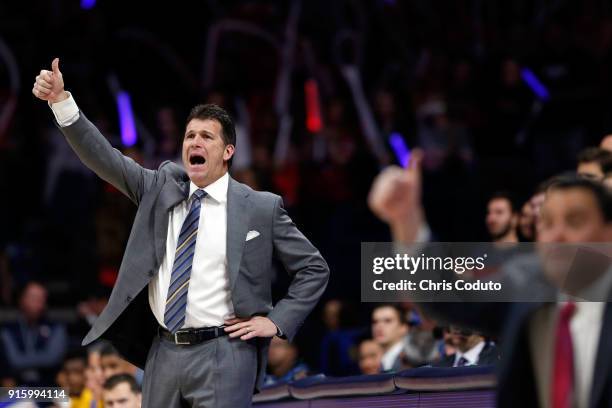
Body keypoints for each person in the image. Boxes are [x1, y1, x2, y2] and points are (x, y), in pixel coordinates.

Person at [33, 58, 329, 408]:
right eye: (190, 136)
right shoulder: (159, 187)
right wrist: (62, 103)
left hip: (226, 351)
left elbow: (314, 269)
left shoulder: (260, 207)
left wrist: (276, 322)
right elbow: (105, 158)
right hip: (163, 350)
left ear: (228, 151)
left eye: (206, 136)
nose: (195, 143)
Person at [368, 156, 612, 407]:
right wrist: (407, 220)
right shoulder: (525, 287)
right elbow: (447, 298)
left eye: (575, 221)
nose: (557, 235)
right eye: (547, 223)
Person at [0, 281, 67, 386]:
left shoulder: (56, 328)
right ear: (21, 300)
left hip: (49, 390)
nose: (38, 302)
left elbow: (52, 358)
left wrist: (22, 360)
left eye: (42, 298)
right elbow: (13, 360)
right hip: (16, 389)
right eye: (33, 297)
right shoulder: (8, 330)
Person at [434, 326, 499, 367]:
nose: (456, 327)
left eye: (463, 321)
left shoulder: (500, 360)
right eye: (452, 319)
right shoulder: (438, 366)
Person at [371, 304, 408, 372]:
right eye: (375, 322)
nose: (379, 326)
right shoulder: (380, 361)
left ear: (403, 327)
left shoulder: (412, 358)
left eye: (387, 321)